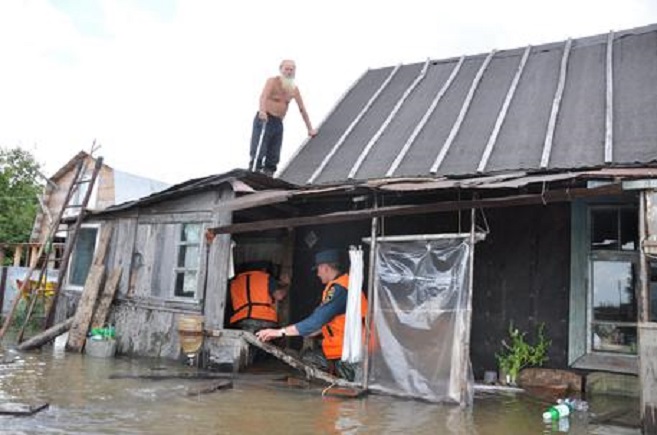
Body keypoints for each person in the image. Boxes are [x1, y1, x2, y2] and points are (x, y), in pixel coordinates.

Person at [256, 249, 367, 381]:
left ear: (325, 268)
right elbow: (330, 321)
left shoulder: (339, 289)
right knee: (310, 356)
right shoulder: (344, 284)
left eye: (318, 270)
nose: (318, 274)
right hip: (353, 348)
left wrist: (279, 332)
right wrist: (307, 331)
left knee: (309, 359)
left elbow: (316, 321)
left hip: (351, 353)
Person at [249, 59, 318, 176]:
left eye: (292, 69)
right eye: (287, 69)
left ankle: (268, 176)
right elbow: (263, 97)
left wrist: (310, 129)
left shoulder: (294, 89)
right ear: (281, 69)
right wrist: (262, 111)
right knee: (259, 151)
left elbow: (302, 109)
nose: (289, 72)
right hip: (265, 119)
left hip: (278, 122)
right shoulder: (272, 81)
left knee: (274, 154)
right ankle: (254, 174)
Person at [228, 261, 288, 334]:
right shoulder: (265, 278)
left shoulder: (234, 281)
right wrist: (286, 286)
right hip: (265, 318)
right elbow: (279, 296)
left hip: (242, 319)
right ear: (263, 269)